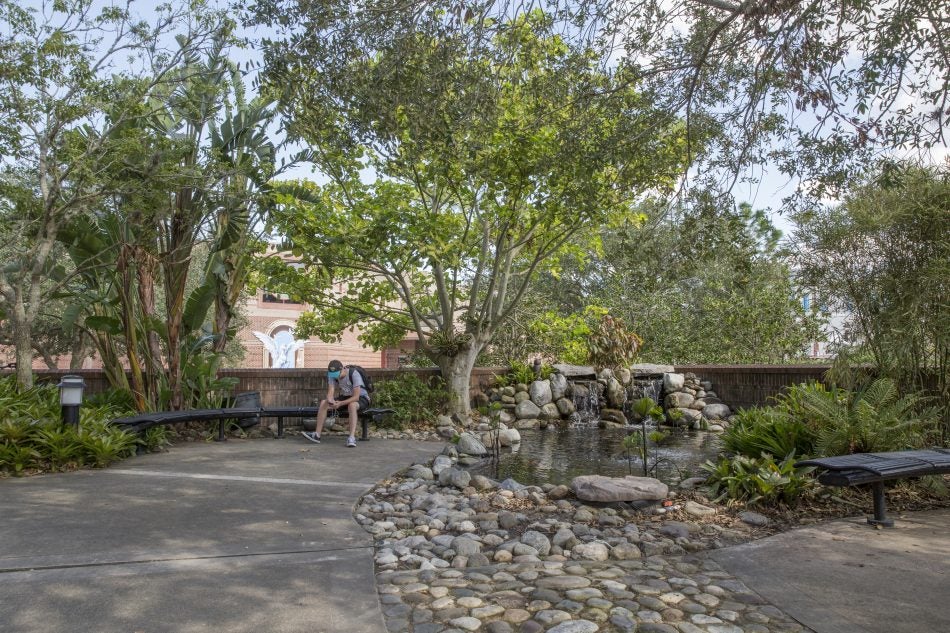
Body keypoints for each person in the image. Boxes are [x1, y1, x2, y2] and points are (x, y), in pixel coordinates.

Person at [302, 360, 369, 447]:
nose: (336, 377)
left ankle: (351, 438)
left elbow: (356, 397)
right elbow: (331, 391)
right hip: (346, 397)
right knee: (324, 403)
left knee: (352, 405)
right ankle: (317, 435)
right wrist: (331, 401)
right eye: (333, 375)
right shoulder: (331, 375)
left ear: (342, 369)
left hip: (361, 398)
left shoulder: (354, 374)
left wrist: (341, 403)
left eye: (337, 375)